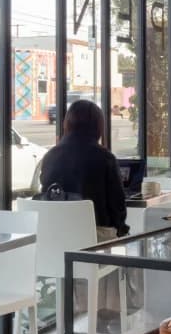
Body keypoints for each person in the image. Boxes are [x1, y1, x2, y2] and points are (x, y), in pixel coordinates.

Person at [36, 98, 128, 237]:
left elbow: (46, 195)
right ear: (98, 126)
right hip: (94, 237)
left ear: (67, 123)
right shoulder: (105, 158)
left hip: (53, 235)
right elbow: (118, 208)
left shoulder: (50, 156)